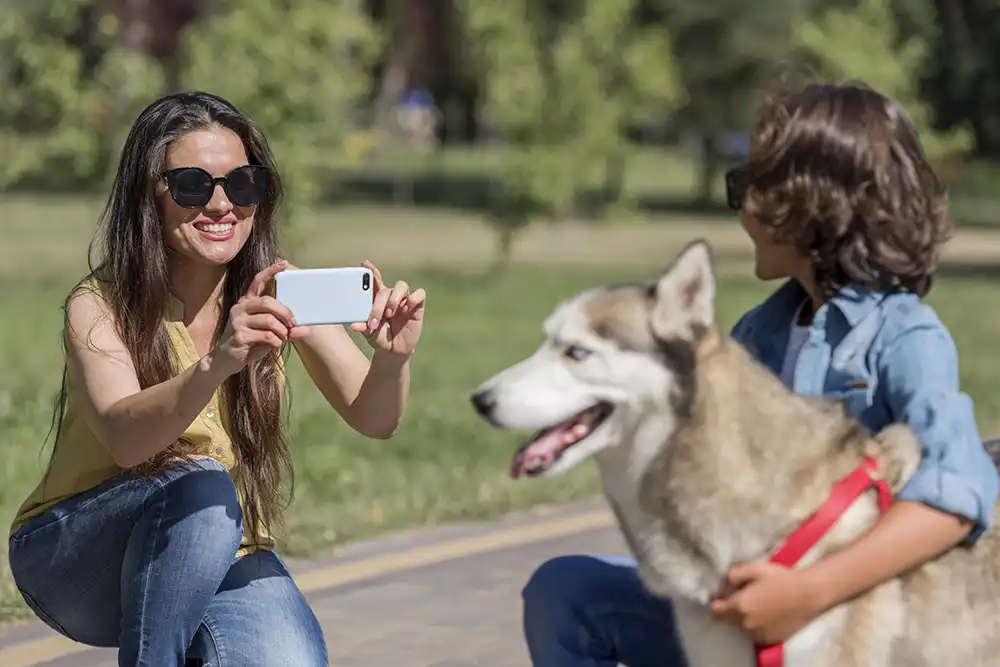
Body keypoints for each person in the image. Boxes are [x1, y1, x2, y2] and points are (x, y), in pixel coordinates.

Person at [520, 82, 999, 667]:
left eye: (747, 187)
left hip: (847, 625)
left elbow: (959, 498)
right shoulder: (754, 337)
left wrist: (806, 594)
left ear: (811, 205)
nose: (738, 206)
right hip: (737, 608)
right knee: (567, 595)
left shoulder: (904, 338)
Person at [7, 91, 426, 667]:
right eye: (192, 186)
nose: (222, 205)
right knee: (201, 485)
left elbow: (375, 418)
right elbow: (128, 441)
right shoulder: (99, 304)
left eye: (243, 185)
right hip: (76, 557)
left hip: (219, 548)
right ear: (147, 194)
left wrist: (392, 356)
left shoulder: (282, 294)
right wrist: (219, 361)